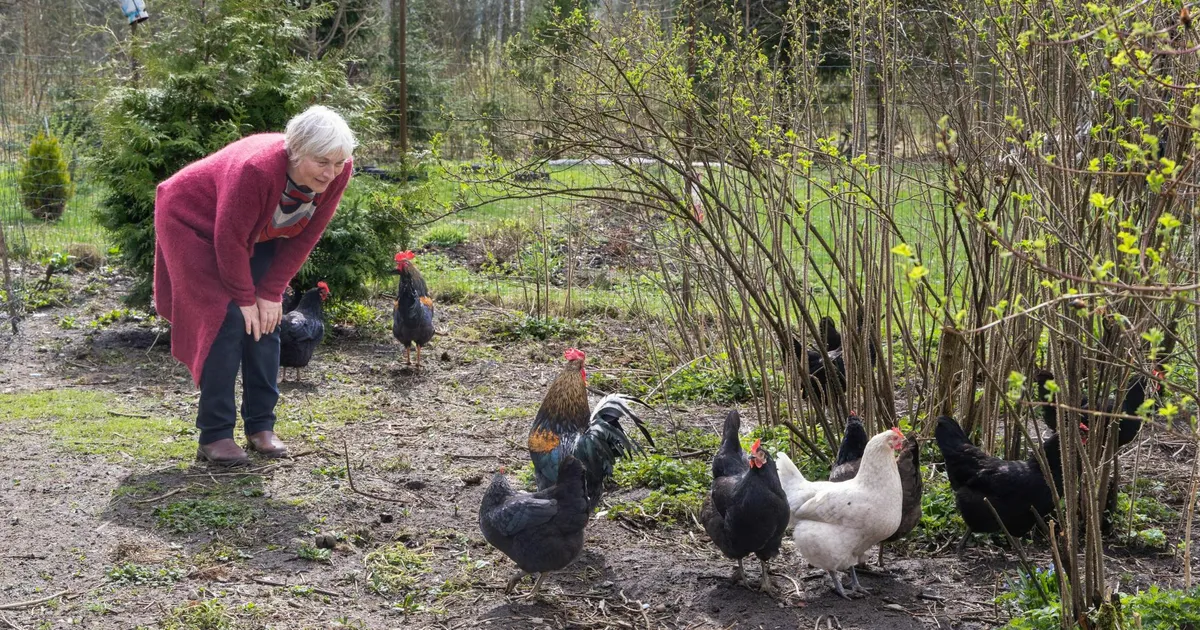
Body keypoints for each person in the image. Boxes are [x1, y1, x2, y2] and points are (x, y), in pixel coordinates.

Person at [153, 105, 355, 465]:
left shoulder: (339, 170)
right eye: (322, 162)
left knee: (268, 318)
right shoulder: (256, 169)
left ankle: (261, 426)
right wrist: (244, 297)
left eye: (338, 162)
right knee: (227, 318)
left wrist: (270, 292)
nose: (331, 172)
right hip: (192, 222)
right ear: (295, 151)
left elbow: (307, 234)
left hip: (255, 231)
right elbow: (228, 239)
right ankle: (214, 435)